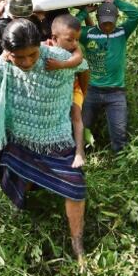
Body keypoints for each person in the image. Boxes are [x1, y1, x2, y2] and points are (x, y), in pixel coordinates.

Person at [0, 19, 89, 264]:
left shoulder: (56, 57)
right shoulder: (2, 65)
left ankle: (78, 247)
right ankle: (18, 210)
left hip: (56, 138)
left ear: (40, 45)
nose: (26, 62)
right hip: (20, 138)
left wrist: (82, 95)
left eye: (32, 55)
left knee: (76, 188)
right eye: (19, 57)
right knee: (20, 177)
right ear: (7, 52)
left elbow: (83, 65)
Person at [79, 0, 138, 153]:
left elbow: (136, 14)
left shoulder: (121, 32)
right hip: (92, 90)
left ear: (116, 19)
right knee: (82, 126)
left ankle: (120, 163)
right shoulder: (88, 34)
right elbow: (69, 28)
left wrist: (115, 1)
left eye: (110, 22)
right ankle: (82, 154)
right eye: (104, 22)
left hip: (116, 93)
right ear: (98, 18)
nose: (107, 26)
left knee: (119, 134)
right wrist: (83, 12)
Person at [46, 14, 90, 168]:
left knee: (76, 115)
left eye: (77, 39)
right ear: (55, 37)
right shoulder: (46, 47)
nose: (74, 43)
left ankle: (79, 152)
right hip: (54, 94)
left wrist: (61, 65)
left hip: (73, 89)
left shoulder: (74, 51)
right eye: (70, 40)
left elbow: (81, 64)